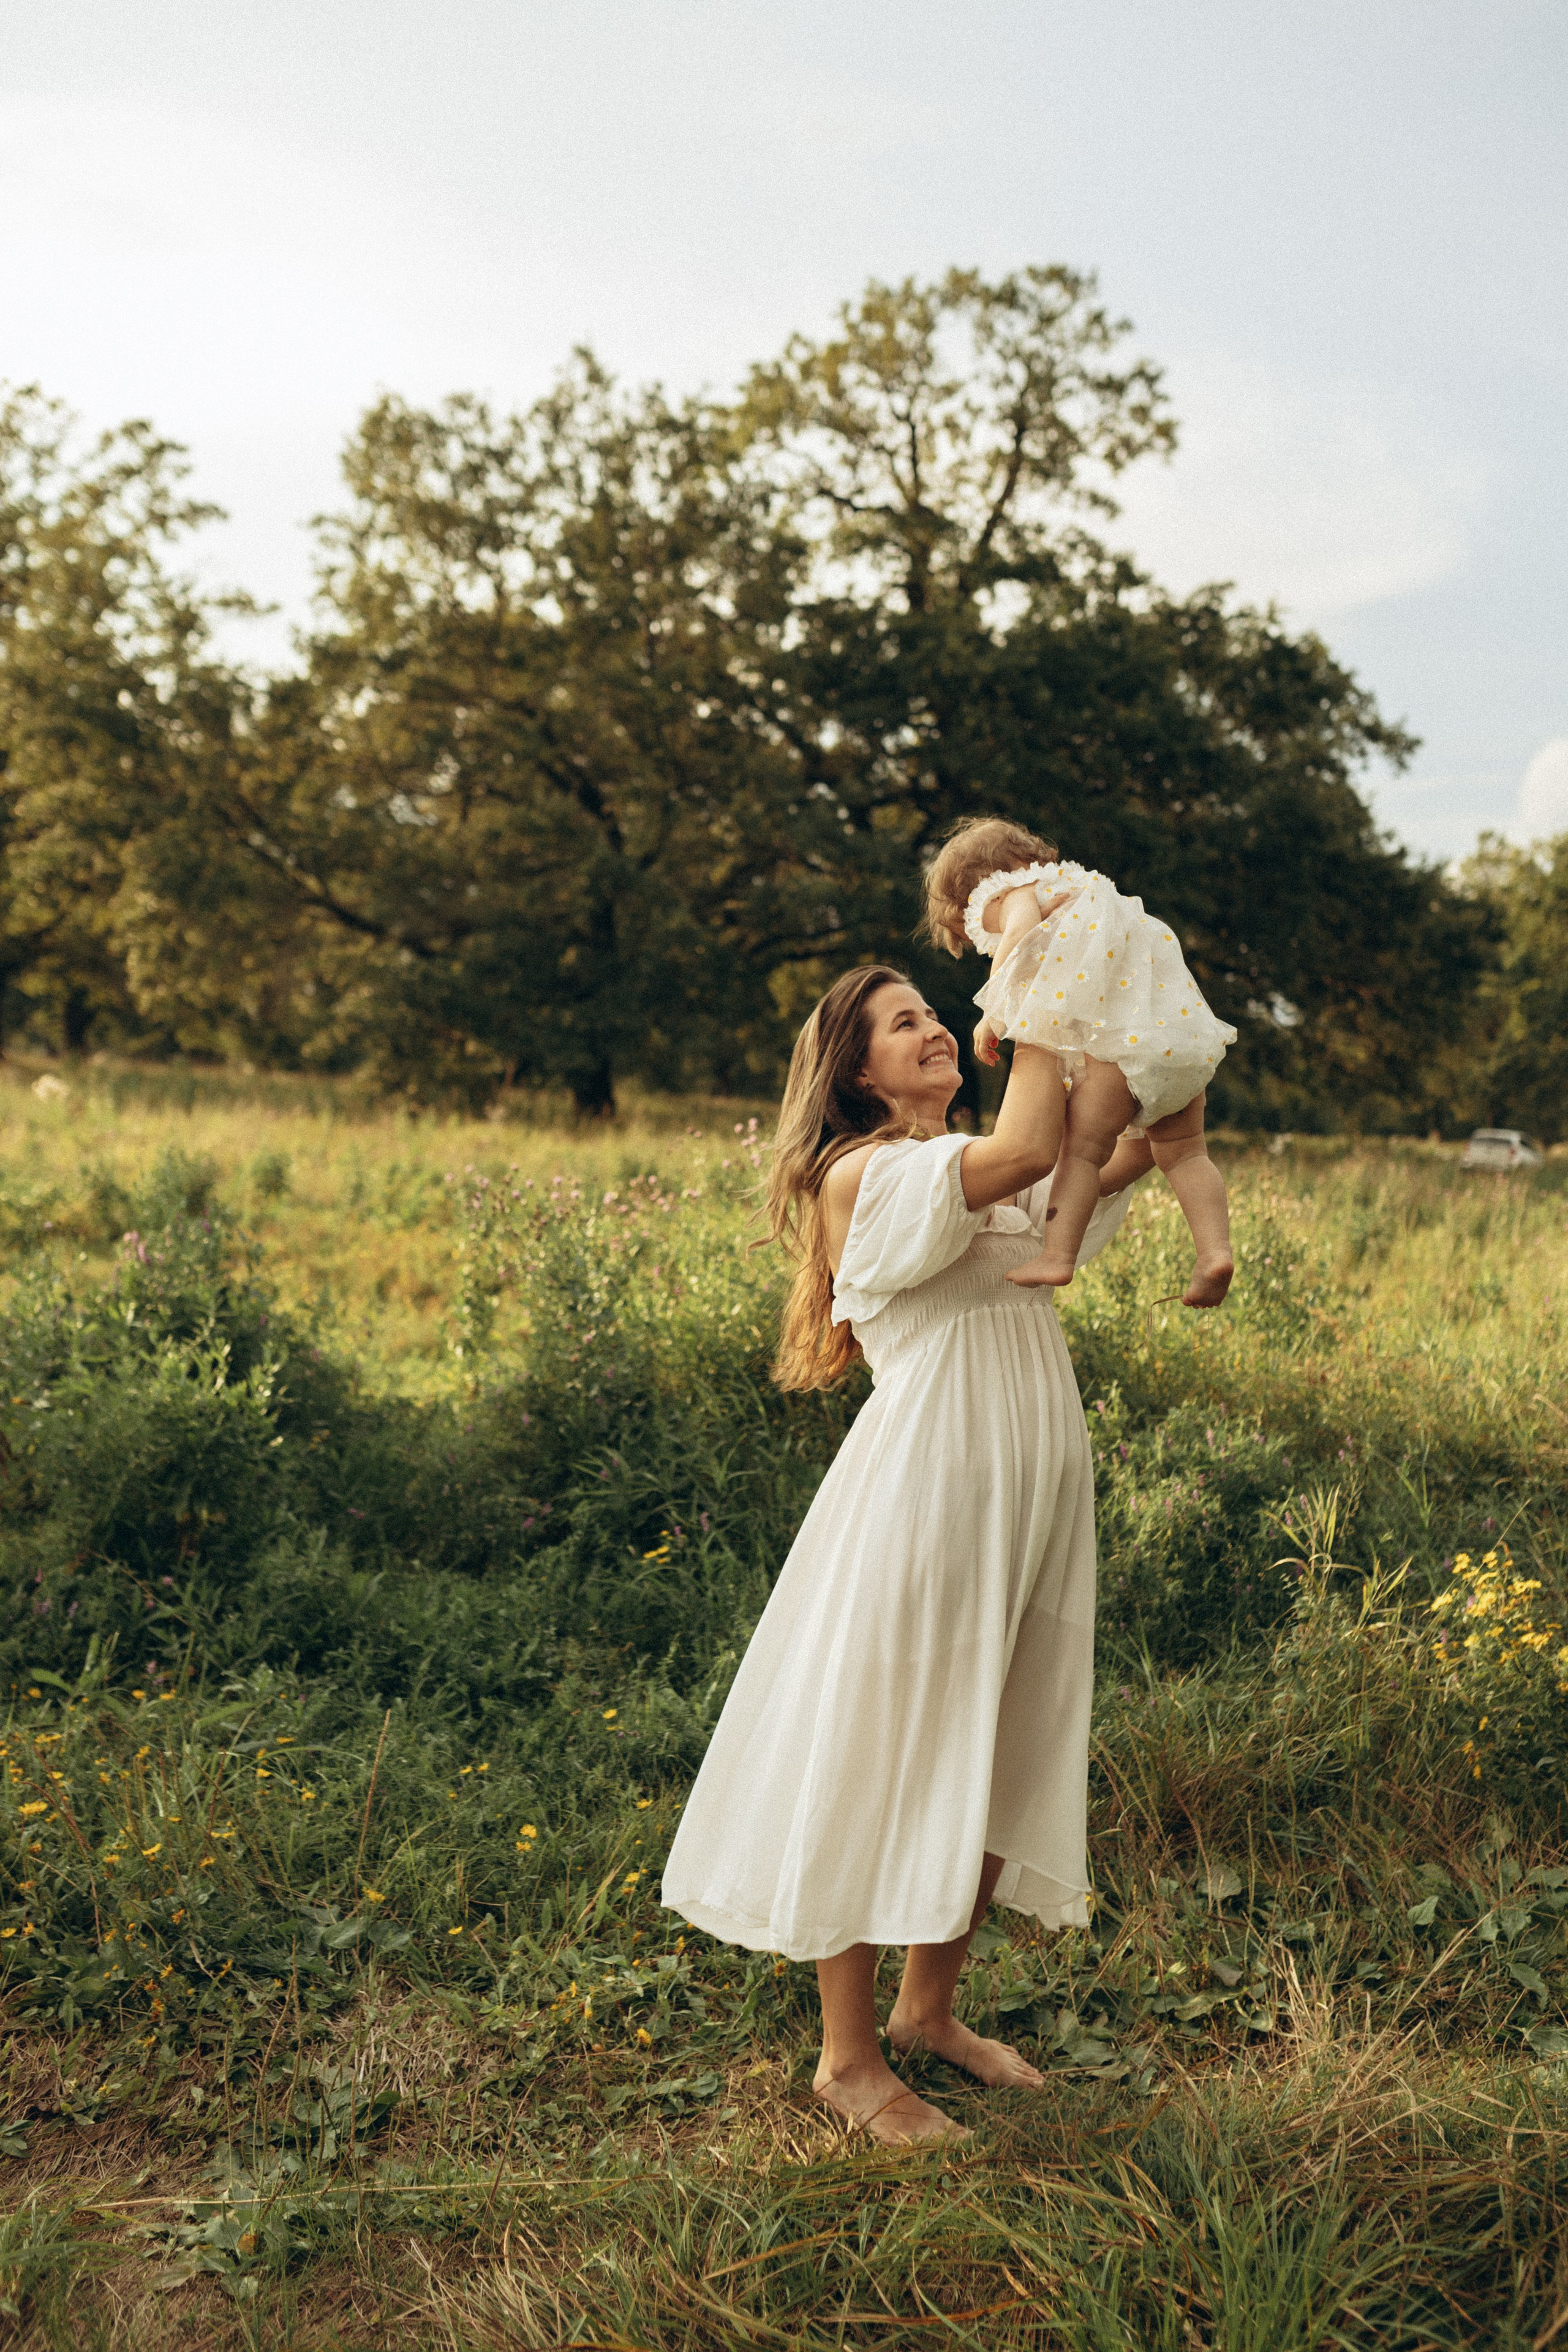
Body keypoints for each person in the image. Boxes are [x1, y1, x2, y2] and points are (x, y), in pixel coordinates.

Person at [660, 965, 1151, 2144]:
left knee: (989, 1749)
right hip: (926, 1501)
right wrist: (1032, 972)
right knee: (884, 1755)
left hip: (1025, 1498)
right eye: (904, 1021)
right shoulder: (867, 1176)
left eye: (938, 1010)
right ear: (854, 1070)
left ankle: (932, 2015)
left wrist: (1141, 1023)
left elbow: (1096, 1154)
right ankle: (846, 2059)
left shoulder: (966, 1164)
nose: (935, 1027)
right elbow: (1036, 1146)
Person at [922, 816, 1236, 1310]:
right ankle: (1215, 1252)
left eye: (973, 930)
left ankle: (1057, 1255)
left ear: (976, 892)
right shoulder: (1083, 888)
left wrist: (994, 1012)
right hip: (1182, 1039)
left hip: (1123, 1045)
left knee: (1083, 1152)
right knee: (1187, 1153)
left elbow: (1021, 931)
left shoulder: (1011, 892)